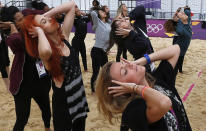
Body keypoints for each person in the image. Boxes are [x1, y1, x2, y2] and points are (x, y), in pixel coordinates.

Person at [20, 1, 89, 130]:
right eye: (44, 22)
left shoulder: (65, 38)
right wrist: (40, 32)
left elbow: (71, 5)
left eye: (48, 18)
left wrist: (43, 16)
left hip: (79, 99)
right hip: (64, 106)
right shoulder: (47, 54)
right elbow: (45, 51)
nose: (50, 20)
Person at [96, 44, 192, 131]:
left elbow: (175, 49)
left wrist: (143, 60)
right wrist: (135, 88)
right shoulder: (134, 109)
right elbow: (164, 103)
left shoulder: (157, 80)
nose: (130, 65)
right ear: (121, 88)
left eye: (125, 63)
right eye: (125, 72)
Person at [0, 6, 52, 131]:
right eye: (18, 20)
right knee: (22, 119)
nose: (23, 21)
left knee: (47, 111)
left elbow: (38, 12)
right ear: (11, 23)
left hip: (40, 79)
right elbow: (18, 42)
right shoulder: (11, 37)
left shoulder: (30, 27)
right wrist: (12, 27)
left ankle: (47, 128)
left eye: (22, 17)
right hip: (22, 85)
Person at [109, 6, 154, 73]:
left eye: (121, 19)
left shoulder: (137, 26)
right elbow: (144, 44)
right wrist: (131, 33)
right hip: (145, 70)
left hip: (151, 63)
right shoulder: (128, 42)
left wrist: (130, 17)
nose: (123, 20)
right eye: (120, 22)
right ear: (120, 31)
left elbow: (141, 8)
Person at [164, 6, 192, 75]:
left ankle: (179, 69)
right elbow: (175, 20)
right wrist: (178, 13)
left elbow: (187, 14)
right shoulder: (179, 24)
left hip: (181, 41)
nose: (182, 13)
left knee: (180, 56)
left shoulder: (184, 21)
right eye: (182, 13)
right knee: (177, 57)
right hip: (179, 41)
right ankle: (174, 69)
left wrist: (184, 9)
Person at [90, 7, 111, 93]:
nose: (104, 12)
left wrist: (107, 49)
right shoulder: (97, 22)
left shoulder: (108, 23)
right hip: (96, 51)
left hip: (104, 51)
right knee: (96, 72)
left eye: (105, 11)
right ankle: (93, 89)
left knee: (106, 71)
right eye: (102, 12)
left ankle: (106, 86)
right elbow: (92, 13)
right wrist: (98, 9)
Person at [72, 6, 90, 71]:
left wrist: (84, 13)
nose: (79, 12)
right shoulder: (74, 20)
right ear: (74, 13)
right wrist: (73, 14)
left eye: (79, 10)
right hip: (76, 41)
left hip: (82, 41)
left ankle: (85, 68)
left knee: (84, 55)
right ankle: (76, 69)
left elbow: (90, 17)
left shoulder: (83, 18)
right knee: (76, 57)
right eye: (77, 11)